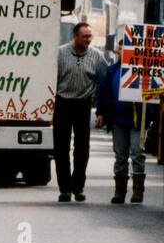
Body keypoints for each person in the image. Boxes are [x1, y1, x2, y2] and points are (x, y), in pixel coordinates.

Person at [53, 21, 108, 203]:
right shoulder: (60, 53)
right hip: (62, 104)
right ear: (75, 36)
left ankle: (78, 187)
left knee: (82, 149)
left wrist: (101, 110)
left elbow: (104, 83)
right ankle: (64, 189)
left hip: (83, 105)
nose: (88, 40)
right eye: (84, 37)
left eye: (89, 37)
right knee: (61, 148)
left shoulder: (97, 57)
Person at [96, 44, 146, 203]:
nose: (122, 51)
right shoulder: (112, 71)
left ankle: (138, 192)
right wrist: (101, 113)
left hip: (137, 121)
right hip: (118, 120)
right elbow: (103, 93)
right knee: (120, 156)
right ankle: (120, 192)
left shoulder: (143, 70)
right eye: (120, 48)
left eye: (126, 48)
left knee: (137, 155)